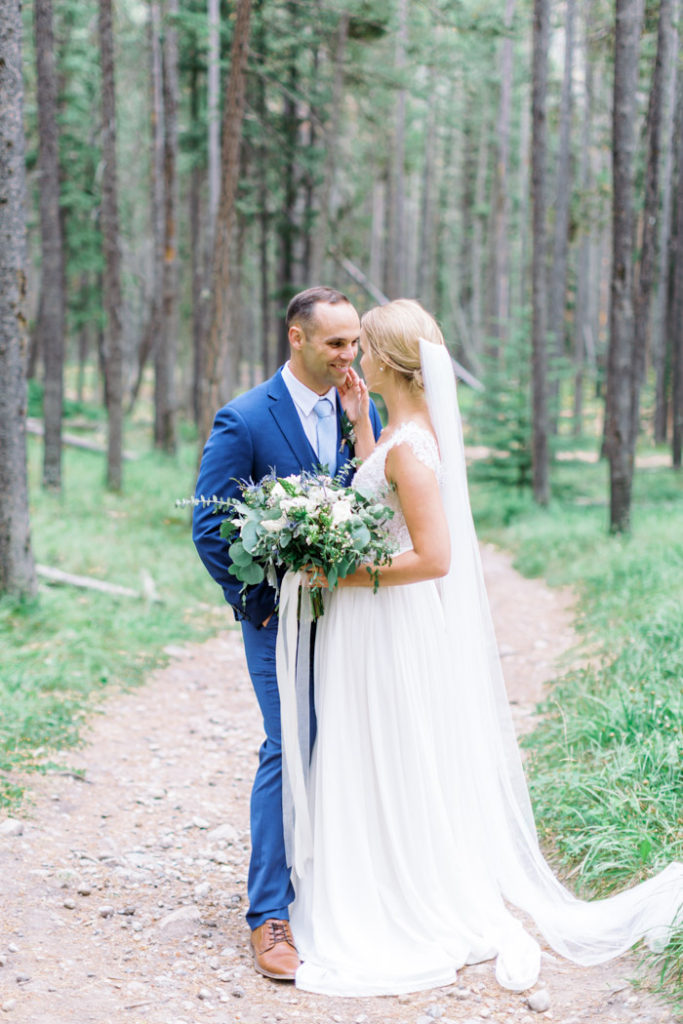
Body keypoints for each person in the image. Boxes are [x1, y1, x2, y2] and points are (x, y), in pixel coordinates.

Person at [283, 298, 683, 996]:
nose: (357, 360)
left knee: (386, 741)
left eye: (366, 349)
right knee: (383, 746)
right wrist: (357, 427)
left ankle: (393, 891)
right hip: (374, 618)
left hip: (383, 619)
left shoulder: (411, 450)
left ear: (395, 362)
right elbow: (380, 489)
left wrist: (345, 573)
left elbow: (433, 558)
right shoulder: (403, 434)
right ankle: (379, 868)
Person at [192, 286, 382, 981]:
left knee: (342, 741)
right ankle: (268, 913)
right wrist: (260, 606)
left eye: (354, 340)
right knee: (287, 745)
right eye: (335, 342)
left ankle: (332, 884)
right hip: (276, 620)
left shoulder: (358, 408)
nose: (348, 355)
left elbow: (370, 502)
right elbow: (209, 526)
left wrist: (361, 428)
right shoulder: (243, 418)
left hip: (350, 619)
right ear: (295, 339)